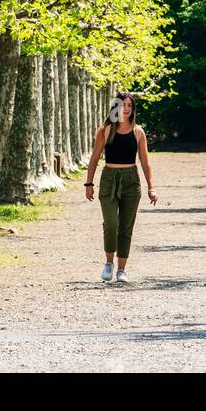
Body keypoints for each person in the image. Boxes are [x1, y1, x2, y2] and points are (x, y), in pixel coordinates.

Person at [85, 91, 158, 283]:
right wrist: (89, 183)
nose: (126, 109)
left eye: (129, 106)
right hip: (109, 178)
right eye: (122, 105)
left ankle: (121, 270)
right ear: (115, 107)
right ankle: (109, 263)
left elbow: (145, 161)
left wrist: (151, 187)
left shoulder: (138, 132)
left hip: (130, 181)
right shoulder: (106, 130)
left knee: (126, 226)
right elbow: (94, 158)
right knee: (111, 223)